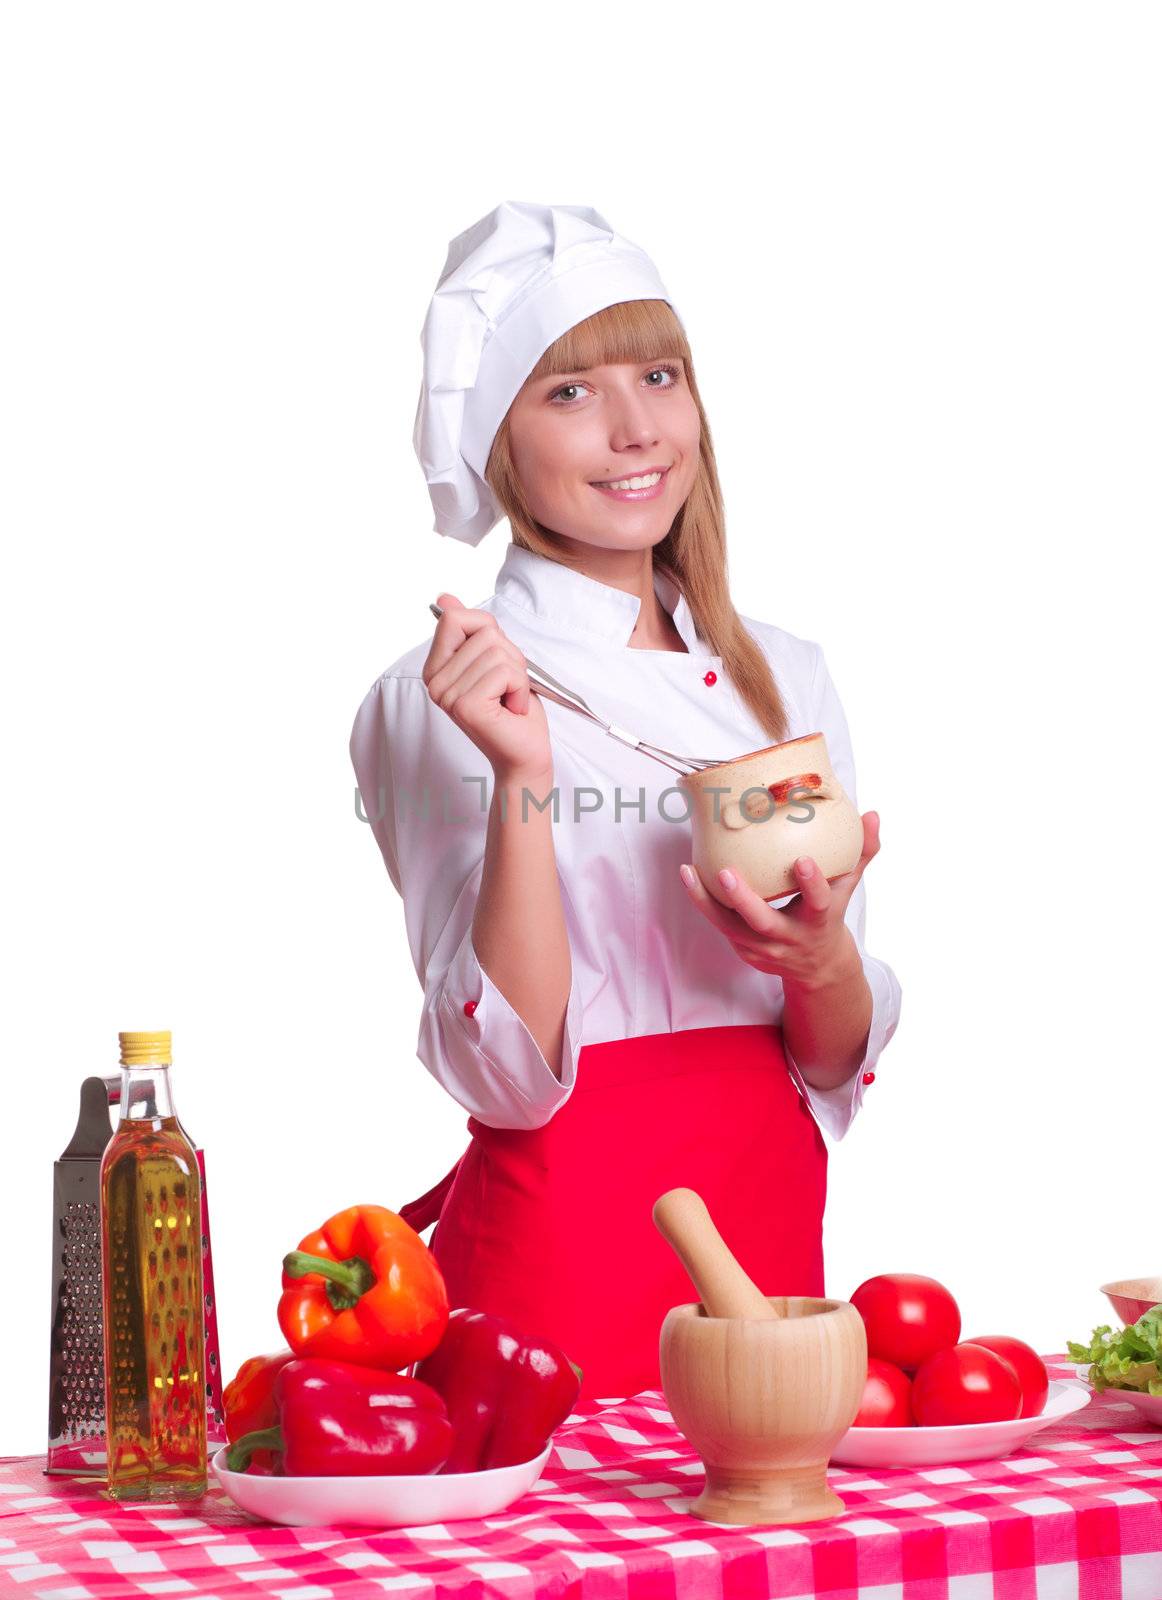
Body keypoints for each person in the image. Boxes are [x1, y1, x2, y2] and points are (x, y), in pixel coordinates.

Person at [350, 201, 902, 1396]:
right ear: (499, 440)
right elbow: (504, 1073)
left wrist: (818, 968)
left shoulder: (784, 676)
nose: (636, 428)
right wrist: (523, 777)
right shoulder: (444, 696)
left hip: (767, 1247)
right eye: (568, 393)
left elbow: (833, 1056)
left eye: (660, 374)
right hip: (558, 1270)